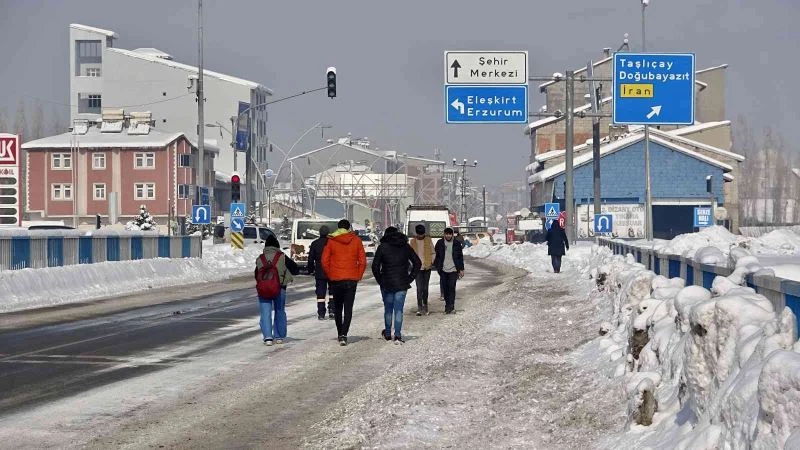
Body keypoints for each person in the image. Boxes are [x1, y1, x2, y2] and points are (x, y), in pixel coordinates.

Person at [321, 219, 367, 346]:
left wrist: (330, 274)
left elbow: (324, 261)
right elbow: (363, 261)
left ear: (338, 227)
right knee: (348, 308)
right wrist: (358, 275)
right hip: (351, 279)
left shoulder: (331, 241)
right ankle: (344, 334)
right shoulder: (356, 241)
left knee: (338, 307)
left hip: (336, 279)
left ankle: (339, 333)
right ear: (349, 228)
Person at [372, 227, 421, 343]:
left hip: (386, 283)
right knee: (399, 310)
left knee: (388, 309)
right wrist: (409, 278)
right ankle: (398, 335)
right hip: (402, 283)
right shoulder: (405, 246)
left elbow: (375, 266)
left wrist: (380, 280)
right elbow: (417, 263)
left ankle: (388, 333)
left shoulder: (382, 247)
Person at [254, 235, 300, 346]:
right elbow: (295, 269)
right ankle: (279, 336)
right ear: (277, 245)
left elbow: (256, 274)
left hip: (263, 289)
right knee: (279, 310)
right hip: (280, 288)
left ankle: (268, 337)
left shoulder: (260, 258)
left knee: (265, 313)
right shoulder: (282, 257)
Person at [433, 227, 465, 314]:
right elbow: (436, 255)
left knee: (452, 288)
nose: (448, 236)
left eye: (450, 234)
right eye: (446, 234)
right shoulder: (440, 243)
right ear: (444, 234)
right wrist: (437, 266)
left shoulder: (456, 243)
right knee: (446, 289)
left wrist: (461, 269)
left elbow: (460, 257)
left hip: (454, 269)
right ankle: (447, 307)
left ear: (452, 234)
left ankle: (452, 306)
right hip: (443, 270)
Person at [307, 225, 334, 320]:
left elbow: (310, 259)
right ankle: (332, 310)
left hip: (320, 271)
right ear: (328, 233)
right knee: (332, 292)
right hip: (332, 271)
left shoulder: (315, 243)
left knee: (320, 293)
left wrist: (310, 270)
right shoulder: (332, 243)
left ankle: (321, 313)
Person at [409, 224, 435, 316]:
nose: (421, 236)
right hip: (417, 269)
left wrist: (431, 262)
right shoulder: (412, 242)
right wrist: (412, 264)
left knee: (425, 288)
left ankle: (426, 305)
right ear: (417, 233)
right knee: (419, 288)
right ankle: (419, 307)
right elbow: (409, 255)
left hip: (427, 267)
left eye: (422, 234)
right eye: (419, 234)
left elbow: (433, 252)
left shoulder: (428, 240)